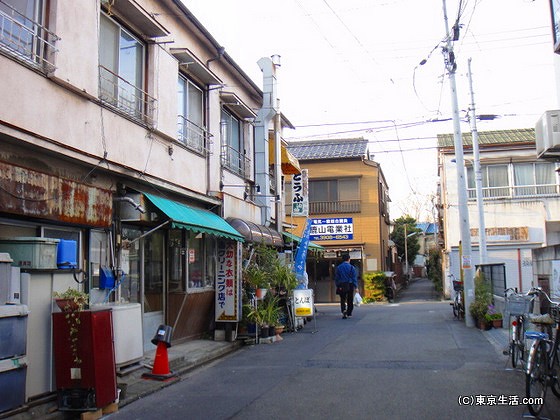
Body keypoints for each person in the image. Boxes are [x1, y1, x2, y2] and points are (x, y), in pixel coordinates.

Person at [335, 253, 358, 319]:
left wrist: (337, 285)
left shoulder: (339, 267)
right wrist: (356, 286)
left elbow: (337, 278)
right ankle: (349, 312)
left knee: (342, 299)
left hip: (342, 284)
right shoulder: (351, 267)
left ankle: (343, 310)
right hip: (350, 284)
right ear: (349, 259)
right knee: (350, 299)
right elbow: (354, 278)